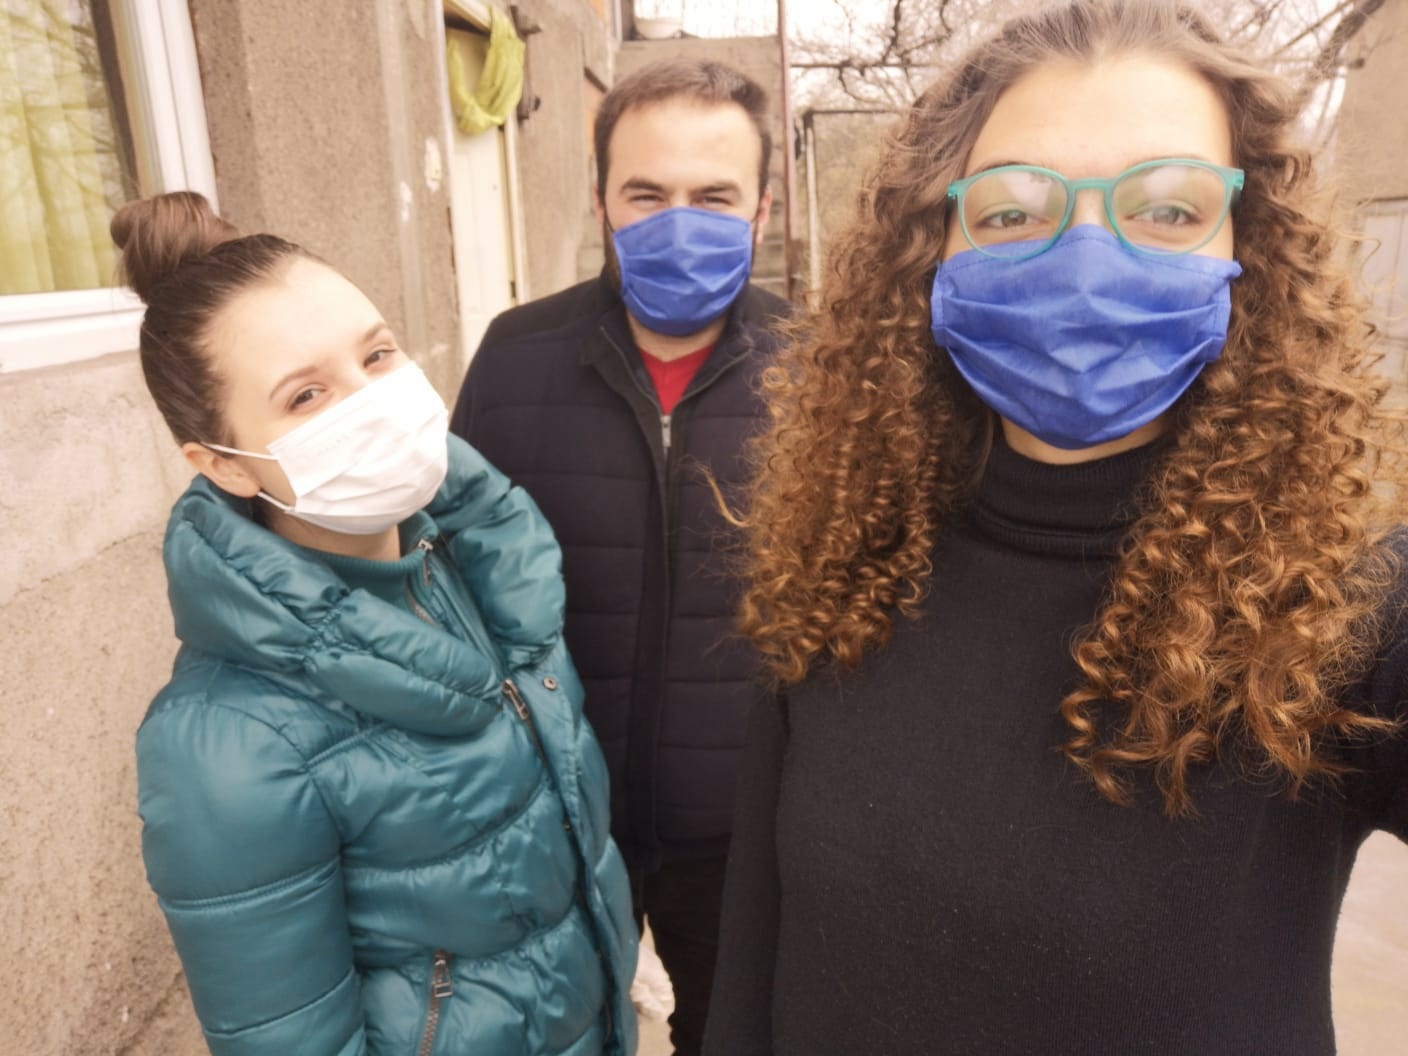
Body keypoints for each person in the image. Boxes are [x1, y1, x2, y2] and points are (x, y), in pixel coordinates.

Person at [702, 2, 1408, 1054]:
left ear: (1248, 244)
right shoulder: (846, 554)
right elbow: (757, 951)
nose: (1085, 255)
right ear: (930, 249)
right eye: (1010, 211)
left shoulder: (1344, 602)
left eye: (1166, 208)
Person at [118, 191, 637, 1056]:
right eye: (306, 395)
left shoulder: (473, 570)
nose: (373, 400)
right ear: (223, 465)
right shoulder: (225, 742)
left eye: (377, 354)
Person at [450, 58, 789, 1055]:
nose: (679, 221)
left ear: (761, 210)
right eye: (647, 193)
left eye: (713, 196)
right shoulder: (516, 354)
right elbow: (454, 577)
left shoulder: (824, 371)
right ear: (600, 202)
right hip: (552, 818)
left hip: (744, 838)